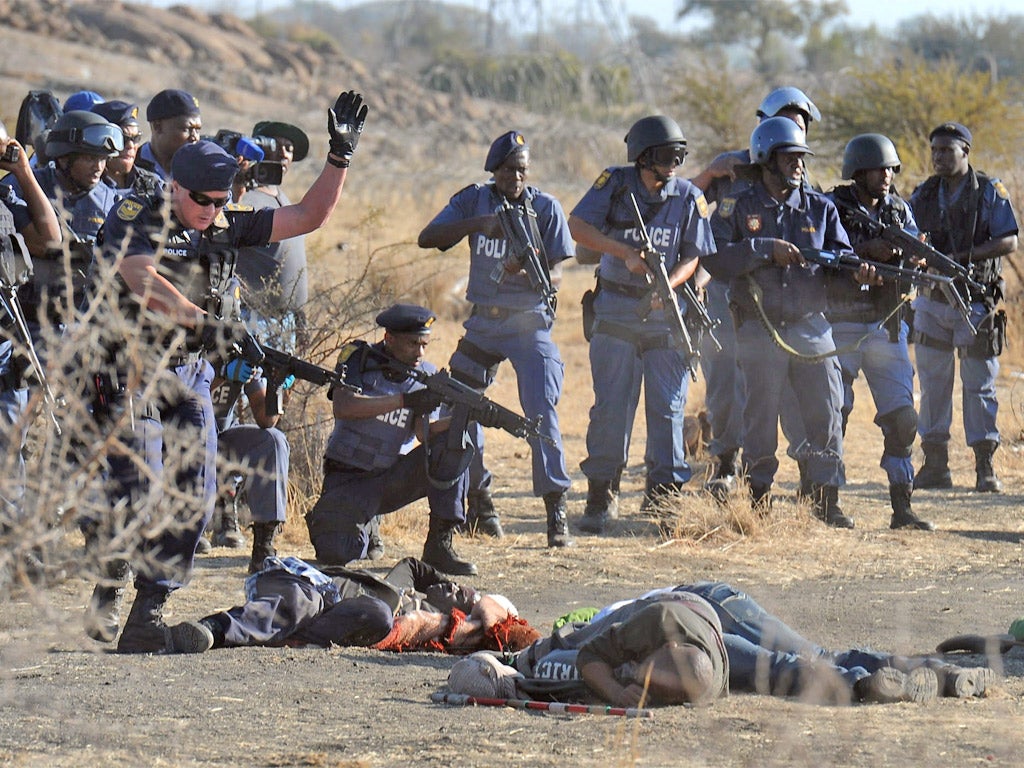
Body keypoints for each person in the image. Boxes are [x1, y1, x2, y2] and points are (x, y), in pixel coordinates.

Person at [84, 89, 368, 653]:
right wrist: (204, 321)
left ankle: (149, 609)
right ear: (174, 185)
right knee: (137, 489)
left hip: (187, 375)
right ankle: (107, 591)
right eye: (202, 200)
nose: (212, 210)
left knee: (197, 488)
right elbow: (138, 275)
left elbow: (307, 216)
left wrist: (340, 158)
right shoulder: (138, 213)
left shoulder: (224, 224)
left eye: (220, 200)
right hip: (129, 371)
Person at [417, 131, 574, 547]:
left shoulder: (546, 208)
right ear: (494, 171)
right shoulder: (475, 199)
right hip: (484, 321)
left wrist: (529, 272)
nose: (516, 177)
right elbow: (428, 237)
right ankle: (479, 500)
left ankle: (556, 510)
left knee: (542, 408)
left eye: (522, 170)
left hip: (530, 321)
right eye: (508, 170)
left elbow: (559, 272)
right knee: (460, 407)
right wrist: (478, 224)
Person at [569, 115, 715, 532]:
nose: (674, 165)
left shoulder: (688, 197)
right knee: (612, 408)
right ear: (643, 157)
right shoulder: (614, 184)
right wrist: (623, 252)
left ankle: (664, 494)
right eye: (666, 156)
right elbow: (577, 227)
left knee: (668, 408)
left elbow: (695, 255)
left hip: (667, 316)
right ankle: (602, 492)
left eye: (679, 156)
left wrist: (667, 285)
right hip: (615, 310)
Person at [705, 117, 853, 527]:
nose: (799, 166)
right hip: (759, 326)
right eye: (790, 158)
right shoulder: (738, 206)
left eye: (802, 159)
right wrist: (762, 248)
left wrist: (861, 274)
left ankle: (826, 498)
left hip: (811, 325)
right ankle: (758, 496)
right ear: (767, 159)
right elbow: (713, 258)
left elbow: (842, 262)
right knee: (760, 416)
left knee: (827, 410)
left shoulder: (820, 208)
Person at [538, 582, 997, 704]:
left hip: (699, 609)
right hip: (700, 631)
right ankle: (924, 675)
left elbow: (577, 661)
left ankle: (925, 674)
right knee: (791, 666)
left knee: (797, 662)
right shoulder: (580, 636)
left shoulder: (574, 637)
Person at [693, 86, 823, 503]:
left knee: (790, 385)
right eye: (785, 122)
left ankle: (806, 469)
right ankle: (726, 462)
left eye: (802, 126)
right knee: (727, 378)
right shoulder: (734, 168)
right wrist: (711, 174)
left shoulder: (800, 174)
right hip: (729, 291)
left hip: (782, 300)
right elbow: (685, 205)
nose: (795, 131)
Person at [304, 303, 478, 577]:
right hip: (347, 477)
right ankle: (361, 523)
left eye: (424, 344)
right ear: (389, 338)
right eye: (412, 344)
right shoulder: (358, 358)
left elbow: (423, 434)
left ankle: (439, 546)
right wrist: (404, 400)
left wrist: (462, 420)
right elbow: (344, 406)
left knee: (453, 445)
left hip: (389, 478)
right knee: (335, 554)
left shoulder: (426, 376)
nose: (420, 352)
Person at [825, 134, 933, 530]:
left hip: (888, 325)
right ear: (858, 172)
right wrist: (863, 254)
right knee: (835, 412)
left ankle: (902, 508)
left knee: (903, 418)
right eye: (878, 169)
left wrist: (916, 260)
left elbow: (916, 255)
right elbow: (825, 255)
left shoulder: (900, 212)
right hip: (841, 322)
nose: (887, 176)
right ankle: (827, 500)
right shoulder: (832, 208)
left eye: (891, 169)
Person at [909, 122, 1018, 493]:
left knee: (979, 385)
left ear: (966, 152)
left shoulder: (989, 191)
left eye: (947, 150)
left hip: (975, 302)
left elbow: (1009, 240)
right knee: (933, 385)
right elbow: (906, 236)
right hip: (932, 301)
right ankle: (935, 465)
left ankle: (985, 466)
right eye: (934, 150)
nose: (938, 157)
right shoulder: (923, 194)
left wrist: (961, 257)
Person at [456, 592, 730, 708]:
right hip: (672, 603)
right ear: (667, 646)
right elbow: (590, 654)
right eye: (644, 668)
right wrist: (616, 692)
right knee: (570, 647)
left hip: (709, 622)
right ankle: (522, 658)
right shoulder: (656, 621)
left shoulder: (708, 685)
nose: (638, 674)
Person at [0, 120, 62, 562]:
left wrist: (24, 173)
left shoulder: (6, 200)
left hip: (4, 344)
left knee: (9, 443)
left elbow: (51, 238)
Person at [207, 364, 293, 573]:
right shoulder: (185, 340)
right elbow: (178, 395)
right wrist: (219, 373)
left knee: (273, 441)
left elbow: (267, 420)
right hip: (179, 435)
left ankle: (263, 549)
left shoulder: (243, 348)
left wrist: (277, 387)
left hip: (222, 435)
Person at [237, 120, 311, 352]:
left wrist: (299, 316)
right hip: (252, 317)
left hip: (285, 321)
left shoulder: (282, 196)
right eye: (275, 145)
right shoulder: (242, 196)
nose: (283, 153)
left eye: (289, 148)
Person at [90, 100, 163, 199]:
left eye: (136, 138)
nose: (130, 145)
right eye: (122, 138)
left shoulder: (151, 184)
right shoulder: (86, 186)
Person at [134, 88, 202, 181]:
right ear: (158, 126)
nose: (195, 137)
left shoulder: (198, 170)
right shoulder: (131, 166)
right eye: (186, 129)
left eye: (197, 130)